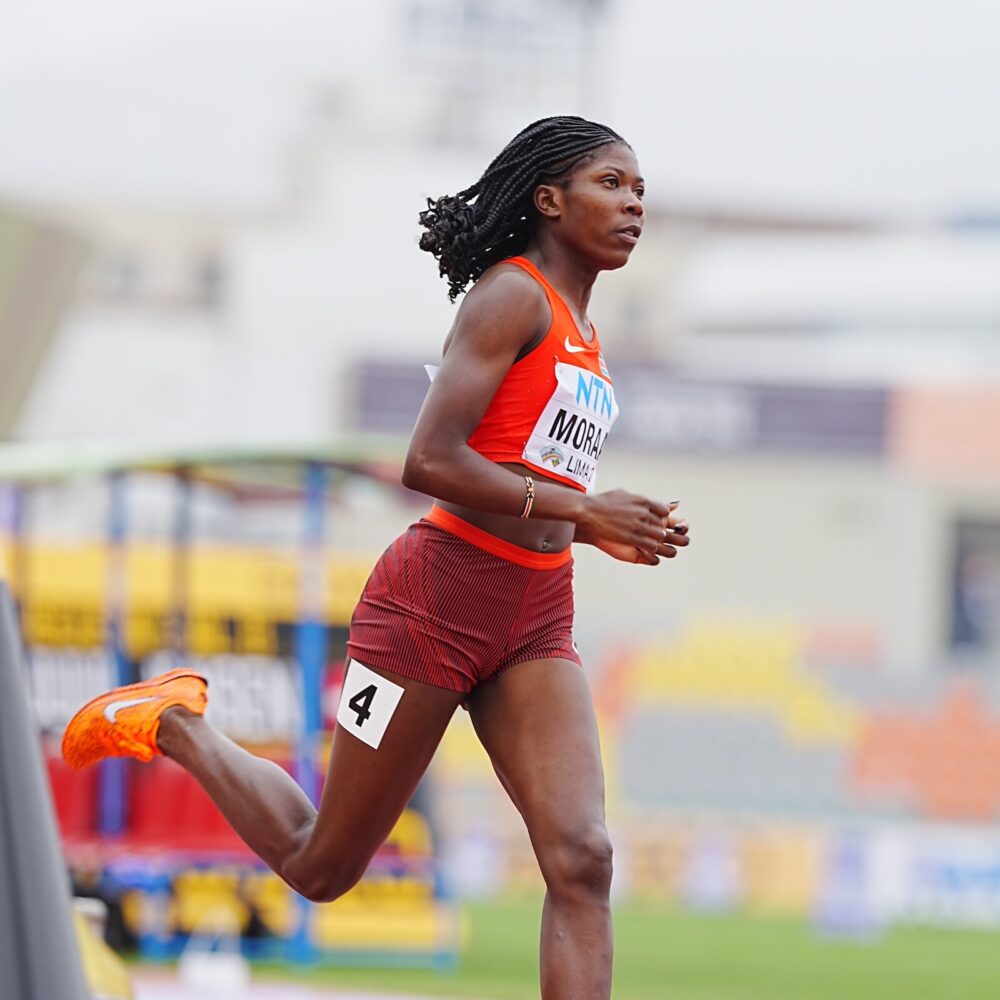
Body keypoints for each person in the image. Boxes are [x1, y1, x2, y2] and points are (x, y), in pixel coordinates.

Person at [62, 115, 690, 1000]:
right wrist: (586, 508)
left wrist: (590, 525)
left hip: (537, 612)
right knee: (323, 866)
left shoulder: (585, 328)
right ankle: (176, 723)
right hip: (434, 603)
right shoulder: (511, 298)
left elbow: (526, 466)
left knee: (582, 858)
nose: (633, 208)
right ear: (550, 199)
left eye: (639, 193)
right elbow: (429, 460)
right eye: (612, 185)